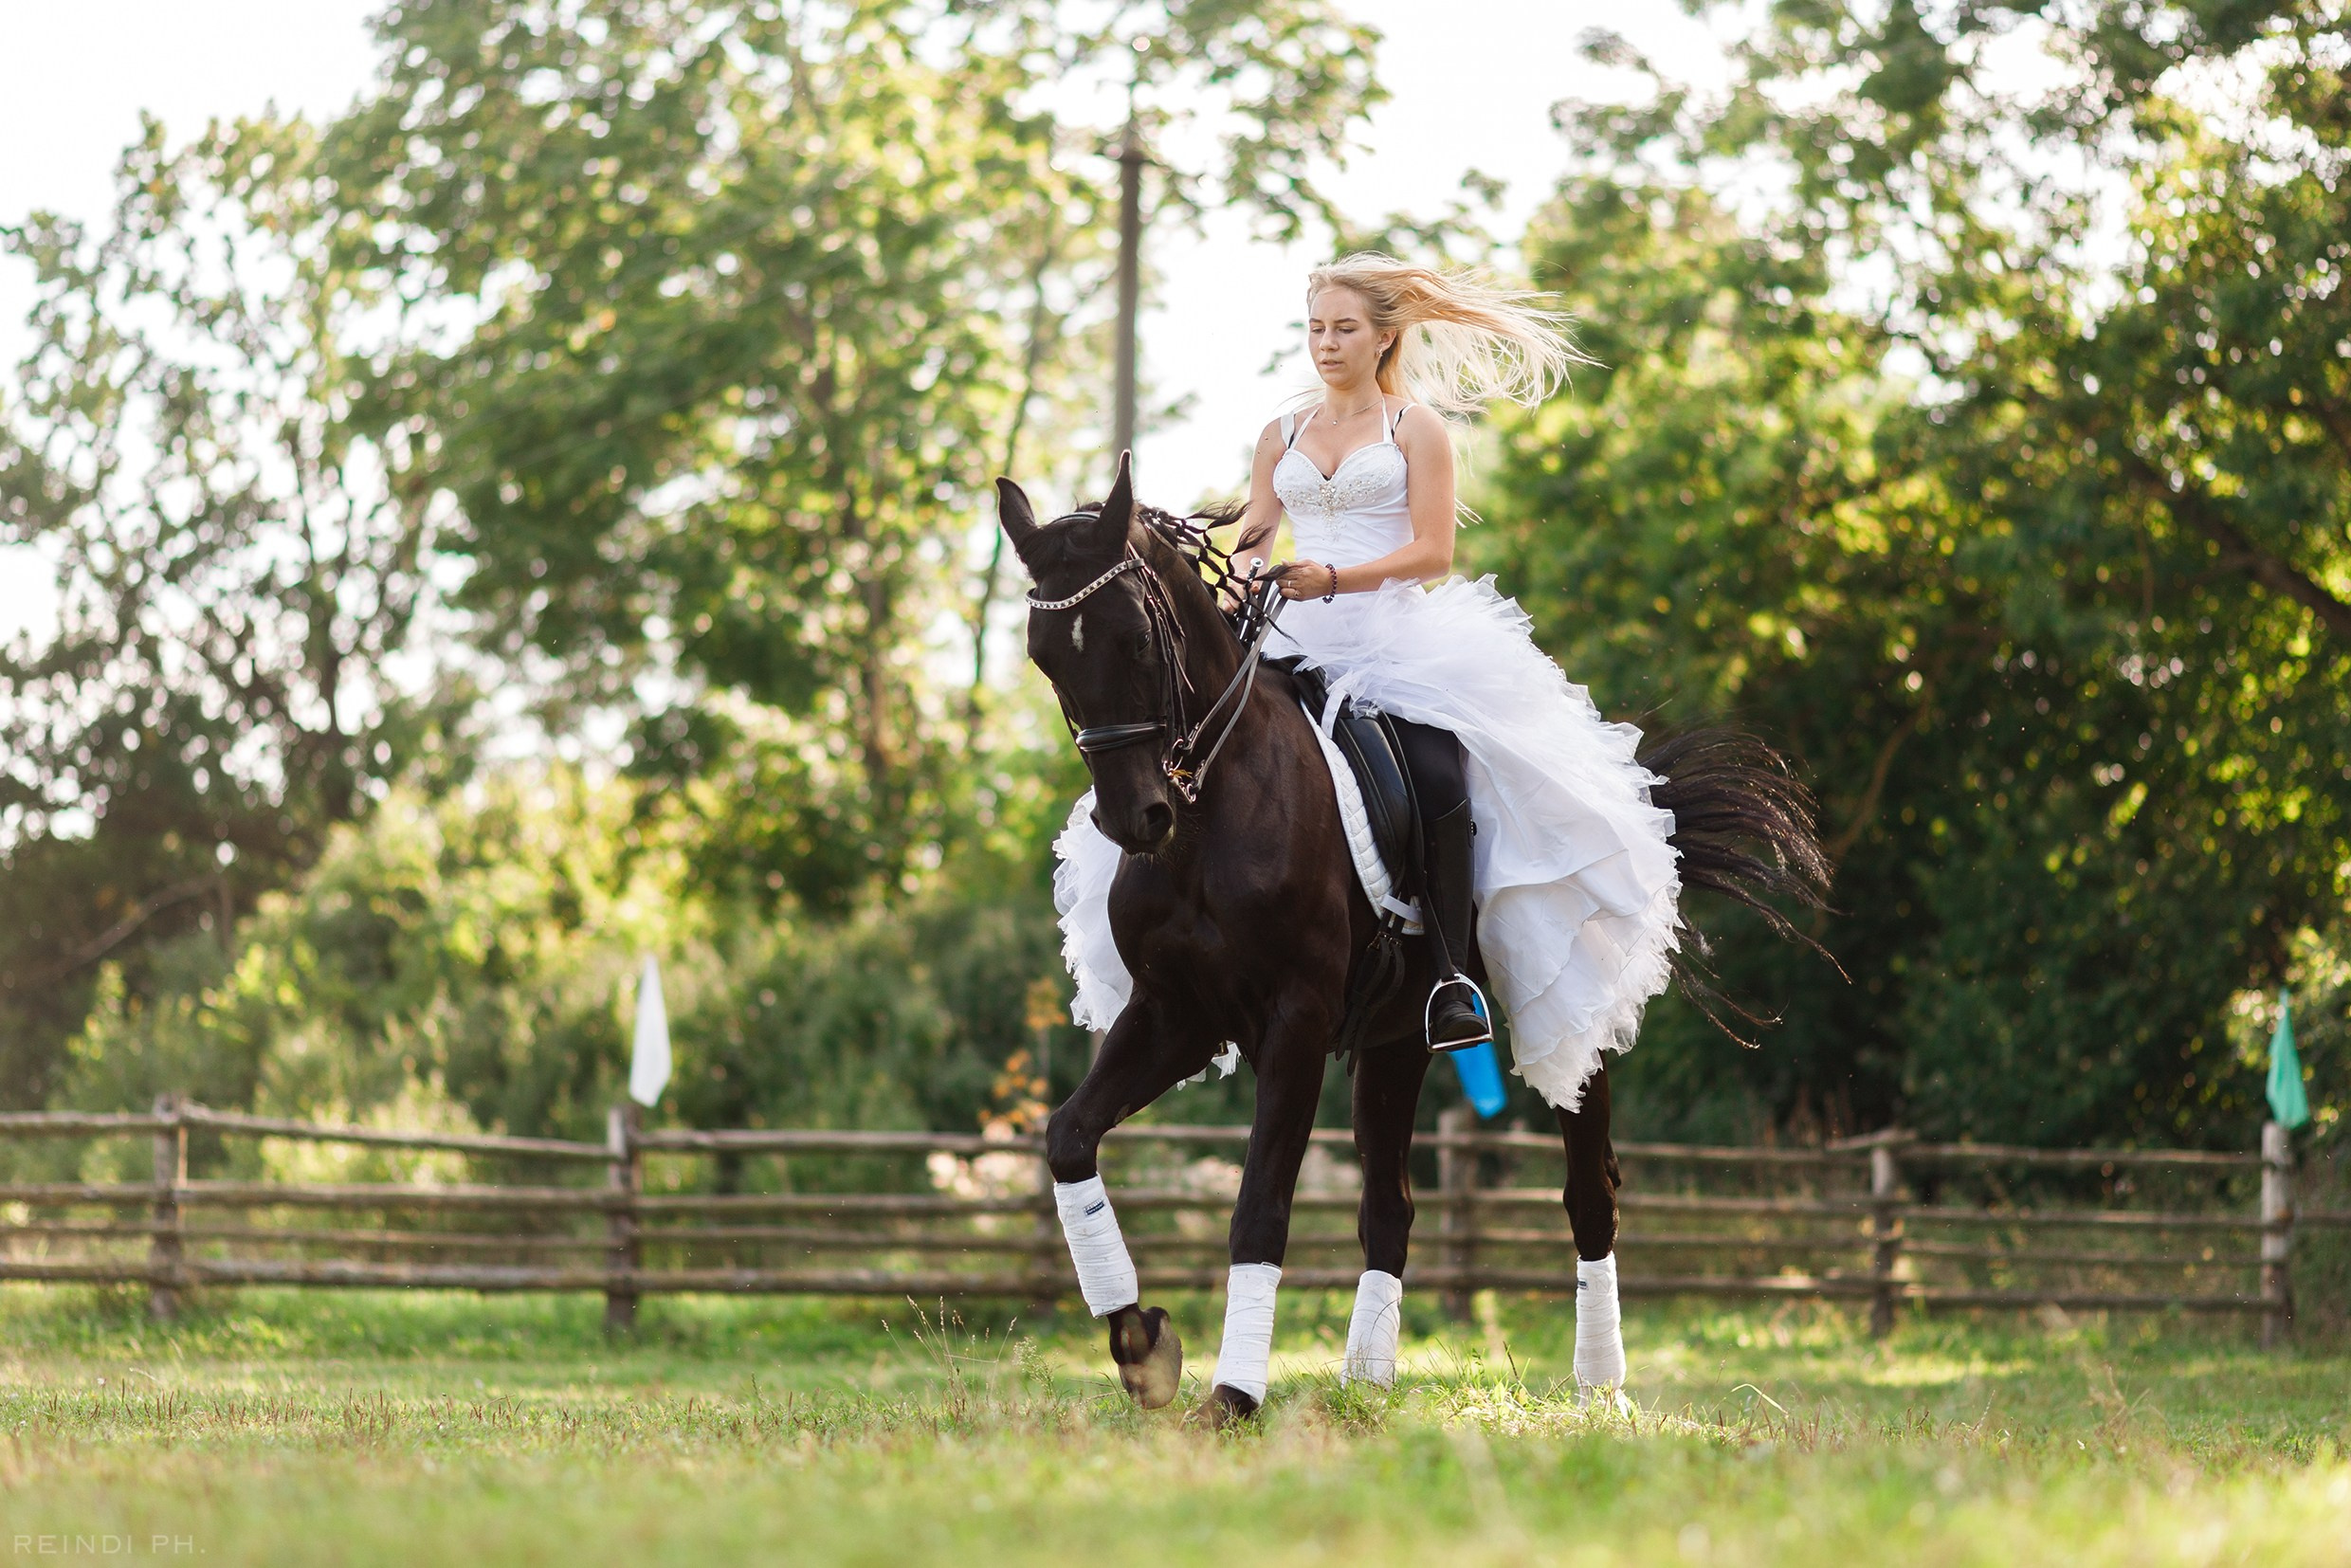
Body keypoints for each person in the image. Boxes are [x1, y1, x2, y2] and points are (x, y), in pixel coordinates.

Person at [1054, 253, 1682, 1112]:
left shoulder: (1413, 429)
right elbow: (1255, 536)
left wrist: (1335, 580)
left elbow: (1434, 551)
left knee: (1432, 771)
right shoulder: (1281, 433)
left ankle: (1453, 978)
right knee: (1196, 757)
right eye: (1316, 328)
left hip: (1392, 640)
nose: (1327, 344)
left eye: (1344, 328)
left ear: (1385, 336)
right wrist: (1238, 583)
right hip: (1289, 636)